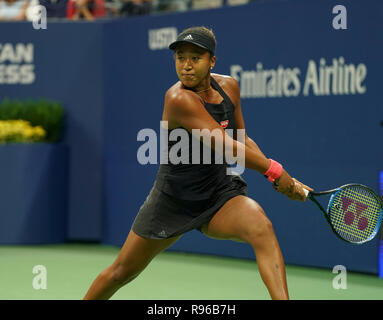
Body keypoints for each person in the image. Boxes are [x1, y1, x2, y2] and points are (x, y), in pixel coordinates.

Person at [83, 26, 313, 300]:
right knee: (121, 272)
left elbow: (242, 139)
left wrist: (280, 177)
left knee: (261, 227)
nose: (187, 66)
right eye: (180, 58)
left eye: (196, 58)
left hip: (219, 193)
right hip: (173, 201)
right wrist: (275, 170)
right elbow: (224, 144)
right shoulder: (178, 98)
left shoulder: (229, 87)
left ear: (212, 60)